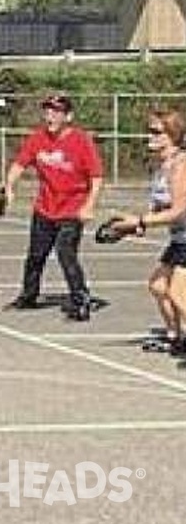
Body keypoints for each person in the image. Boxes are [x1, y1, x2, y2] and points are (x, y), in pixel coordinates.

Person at [1, 93, 103, 321]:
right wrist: (9, 186)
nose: (50, 116)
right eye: (47, 111)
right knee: (36, 255)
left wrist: (89, 205)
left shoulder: (81, 141)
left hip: (72, 209)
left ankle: (80, 299)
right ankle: (28, 296)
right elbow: (19, 164)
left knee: (66, 253)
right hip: (45, 207)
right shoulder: (37, 139)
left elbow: (96, 177)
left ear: (68, 116)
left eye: (56, 112)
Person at [108, 109, 186, 352]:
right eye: (149, 131)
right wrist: (130, 227)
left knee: (178, 294)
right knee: (158, 286)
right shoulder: (160, 167)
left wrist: (140, 221)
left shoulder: (180, 165)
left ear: (172, 135)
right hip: (179, 237)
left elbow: (179, 211)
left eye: (156, 132)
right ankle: (176, 337)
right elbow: (158, 209)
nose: (149, 136)